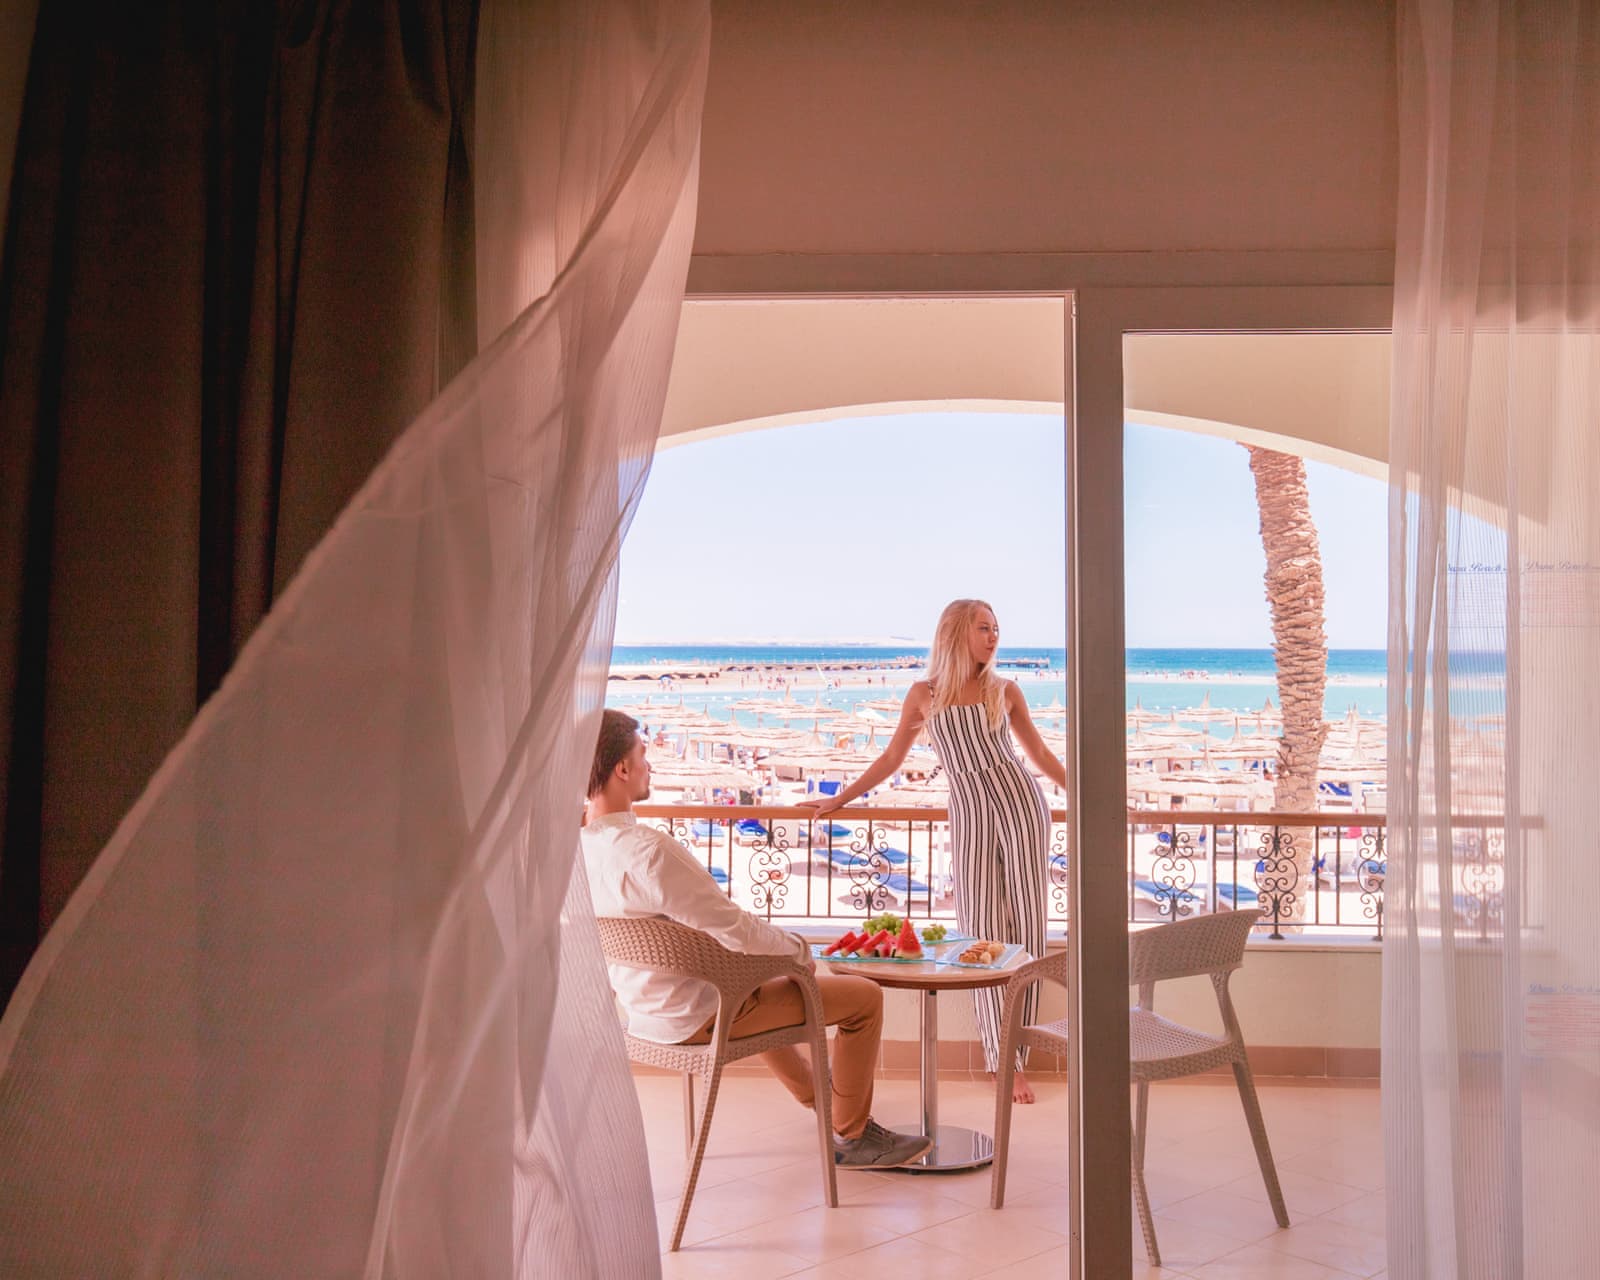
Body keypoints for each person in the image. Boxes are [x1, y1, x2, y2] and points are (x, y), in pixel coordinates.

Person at [582, 709, 932, 1169]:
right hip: (703, 1014)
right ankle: (854, 1135)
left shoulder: (578, 849)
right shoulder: (649, 851)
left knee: (754, 985)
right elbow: (733, 926)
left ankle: (826, 1104)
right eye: (643, 755)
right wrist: (798, 951)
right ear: (622, 769)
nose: (650, 765)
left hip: (645, 1016)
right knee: (863, 999)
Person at [803, 599, 1067, 1104]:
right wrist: (841, 798)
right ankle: (1000, 1059)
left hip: (1022, 807)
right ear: (955, 633)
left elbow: (1037, 754)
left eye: (996, 628)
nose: (993, 636)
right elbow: (891, 758)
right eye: (984, 628)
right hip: (970, 815)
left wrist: (1090, 796)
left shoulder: (1004, 690)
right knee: (982, 931)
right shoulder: (924, 694)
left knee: (1027, 931)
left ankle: (1017, 1052)